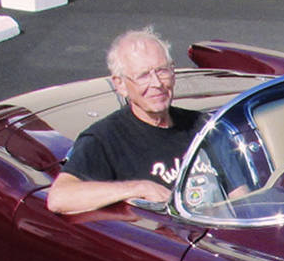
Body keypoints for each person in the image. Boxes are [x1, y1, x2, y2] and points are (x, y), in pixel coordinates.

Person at [47, 28, 201, 215]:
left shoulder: (202, 126)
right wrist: (139, 188)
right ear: (120, 84)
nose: (157, 83)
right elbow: (60, 198)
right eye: (143, 76)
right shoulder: (104, 138)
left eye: (162, 71)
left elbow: (239, 194)